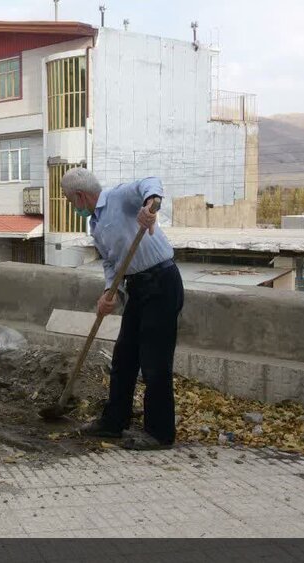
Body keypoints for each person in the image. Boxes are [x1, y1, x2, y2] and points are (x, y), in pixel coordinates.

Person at [61, 168, 184, 450]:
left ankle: (159, 433)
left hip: (162, 283)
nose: (72, 207)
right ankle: (114, 422)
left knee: (155, 363)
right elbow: (110, 263)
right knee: (124, 358)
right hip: (137, 288)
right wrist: (108, 292)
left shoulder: (118, 198)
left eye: (70, 201)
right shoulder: (95, 223)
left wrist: (151, 206)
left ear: (80, 196)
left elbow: (150, 182)